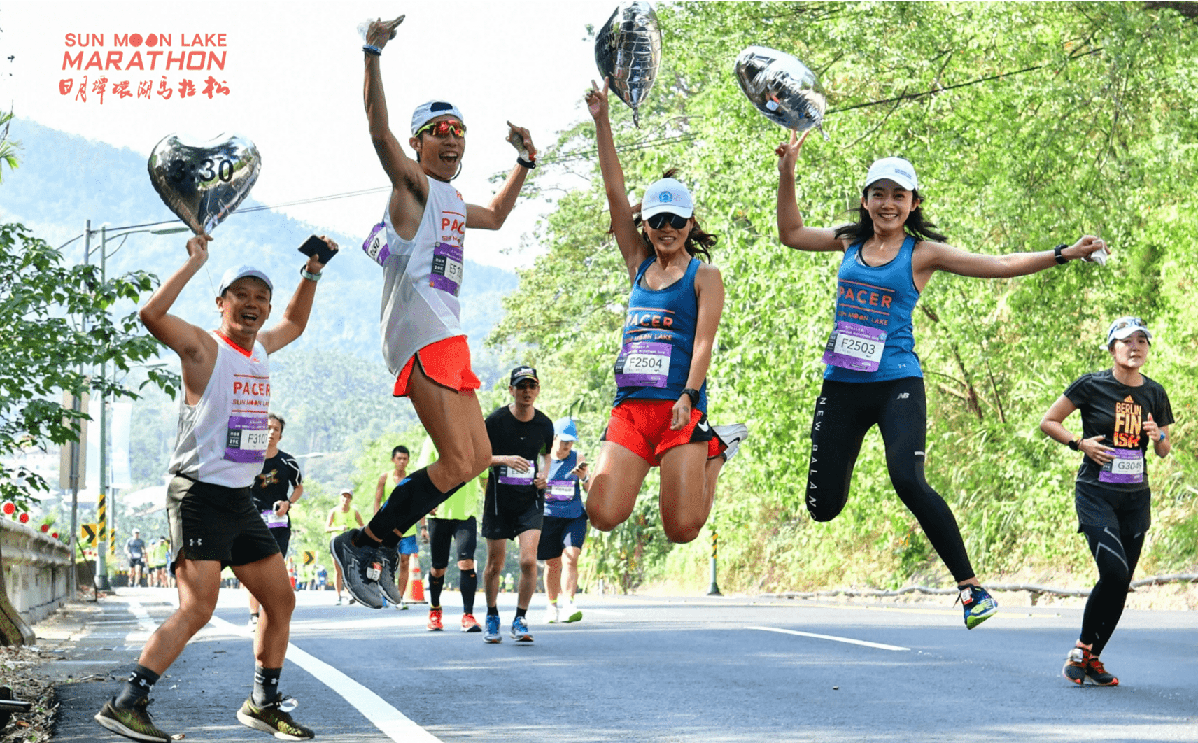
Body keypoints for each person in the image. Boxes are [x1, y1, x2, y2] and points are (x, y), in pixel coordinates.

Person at [774, 129, 1110, 629]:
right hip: (842, 385)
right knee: (823, 508)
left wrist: (1064, 253)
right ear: (865, 201)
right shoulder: (848, 241)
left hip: (897, 383)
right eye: (879, 194)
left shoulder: (923, 252)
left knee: (908, 478)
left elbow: (1000, 266)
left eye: (898, 195)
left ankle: (972, 590)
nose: (888, 204)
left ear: (912, 204)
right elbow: (792, 234)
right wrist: (787, 173)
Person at [93, 234, 332, 743]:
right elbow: (151, 316)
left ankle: (263, 702)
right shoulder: (204, 347)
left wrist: (311, 272)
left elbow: (295, 323)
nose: (252, 305)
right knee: (198, 606)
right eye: (240, 295)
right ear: (220, 303)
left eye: (260, 297)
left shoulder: (262, 348)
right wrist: (194, 262)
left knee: (280, 599)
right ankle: (126, 702)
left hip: (239, 500)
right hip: (198, 495)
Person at [331, 16, 536, 609]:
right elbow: (376, 131)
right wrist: (372, 51)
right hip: (423, 335)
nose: (451, 140)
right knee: (458, 459)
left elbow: (495, 217)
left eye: (459, 132)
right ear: (418, 143)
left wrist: (523, 162)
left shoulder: (447, 197)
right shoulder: (413, 187)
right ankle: (368, 541)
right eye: (438, 131)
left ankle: (372, 540)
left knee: (470, 460)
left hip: (450, 334)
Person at [583, 79, 748, 550]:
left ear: (691, 223)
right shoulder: (638, 265)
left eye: (677, 220)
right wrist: (602, 121)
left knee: (682, 530)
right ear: (646, 226)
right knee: (602, 513)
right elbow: (615, 194)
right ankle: (612, 470)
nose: (668, 228)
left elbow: (703, 342)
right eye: (658, 220)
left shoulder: (704, 276)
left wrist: (690, 395)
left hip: (680, 407)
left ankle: (715, 452)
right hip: (632, 407)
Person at [1040, 316, 1172, 685]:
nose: (1135, 347)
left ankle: (1092, 658)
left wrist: (1156, 434)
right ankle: (1082, 649)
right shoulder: (1092, 385)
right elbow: (1049, 421)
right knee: (1112, 572)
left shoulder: (1155, 393)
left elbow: (1163, 450)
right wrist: (1078, 443)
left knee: (1122, 581)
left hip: (1135, 496)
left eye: (1141, 341)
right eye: (1126, 341)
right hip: (1096, 493)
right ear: (1112, 348)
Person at [481, 366, 555, 643]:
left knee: (528, 560)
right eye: (521, 386)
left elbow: (547, 455)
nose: (527, 392)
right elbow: (478, 457)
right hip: (500, 501)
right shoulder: (495, 421)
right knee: (494, 565)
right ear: (511, 390)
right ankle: (492, 615)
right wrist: (504, 460)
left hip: (530, 501)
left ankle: (520, 618)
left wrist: (544, 475)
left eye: (531, 386)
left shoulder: (544, 423)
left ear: (537, 390)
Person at [247, 413, 304, 626]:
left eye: (276, 429)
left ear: (280, 435)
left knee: (275, 568)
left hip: (279, 522)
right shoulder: (248, 459)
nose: (271, 432)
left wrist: (289, 503)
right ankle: (254, 614)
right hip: (254, 520)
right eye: (267, 427)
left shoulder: (287, 461)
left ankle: (269, 613)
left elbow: (299, 487)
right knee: (255, 567)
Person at [538, 418, 591, 624]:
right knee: (552, 564)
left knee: (571, 556)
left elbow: (590, 489)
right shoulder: (543, 460)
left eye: (571, 441)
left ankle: (568, 603)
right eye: (564, 441)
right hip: (548, 517)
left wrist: (585, 477)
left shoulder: (578, 458)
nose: (567, 445)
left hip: (573, 515)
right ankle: (551, 606)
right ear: (554, 438)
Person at [423, 471, 485, 632]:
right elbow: (423, 476)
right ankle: (435, 609)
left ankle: (468, 615)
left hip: (466, 515)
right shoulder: (435, 445)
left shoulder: (476, 446)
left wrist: (490, 508)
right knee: (438, 568)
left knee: (467, 563)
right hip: (438, 515)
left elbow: (485, 480)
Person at [373, 445, 419, 609]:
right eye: (399, 458)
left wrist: (424, 525)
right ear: (393, 460)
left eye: (405, 459)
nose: (401, 461)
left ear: (408, 460)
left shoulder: (413, 479)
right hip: (388, 529)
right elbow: (378, 501)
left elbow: (418, 504)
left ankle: (398, 597)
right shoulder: (384, 478)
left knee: (405, 562)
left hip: (408, 529)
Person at [326, 489, 365, 605]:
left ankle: (348, 594)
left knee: (348, 569)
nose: (345, 499)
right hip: (336, 542)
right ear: (340, 498)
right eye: (343, 496)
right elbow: (326, 528)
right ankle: (338, 595)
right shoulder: (334, 511)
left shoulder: (354, 512)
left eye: (348, 497)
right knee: (338, 570)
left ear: (351, 499)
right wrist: (338, 528)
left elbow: (362, 526)